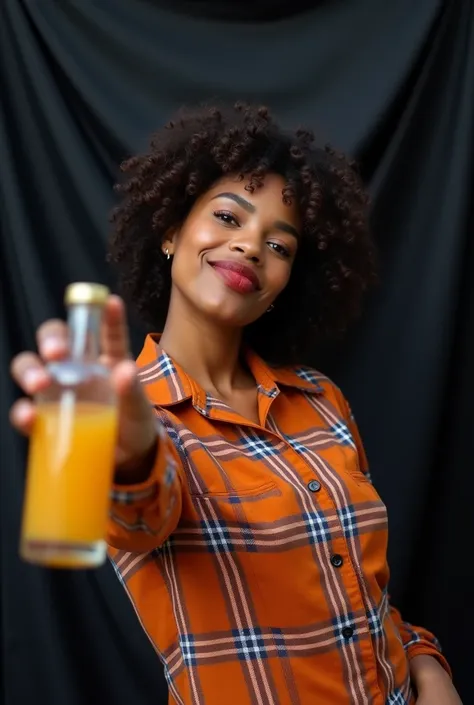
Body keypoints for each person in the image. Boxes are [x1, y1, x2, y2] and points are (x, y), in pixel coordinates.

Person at [10, 104, 462, 705]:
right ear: (170, 232)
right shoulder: (127, 412)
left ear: (283, 285)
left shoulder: (321, 401)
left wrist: (430, 670)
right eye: (228, 216)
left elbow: (363, 592)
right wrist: (129, 455)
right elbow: (140, 514)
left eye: (280, 245)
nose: (251, 246)